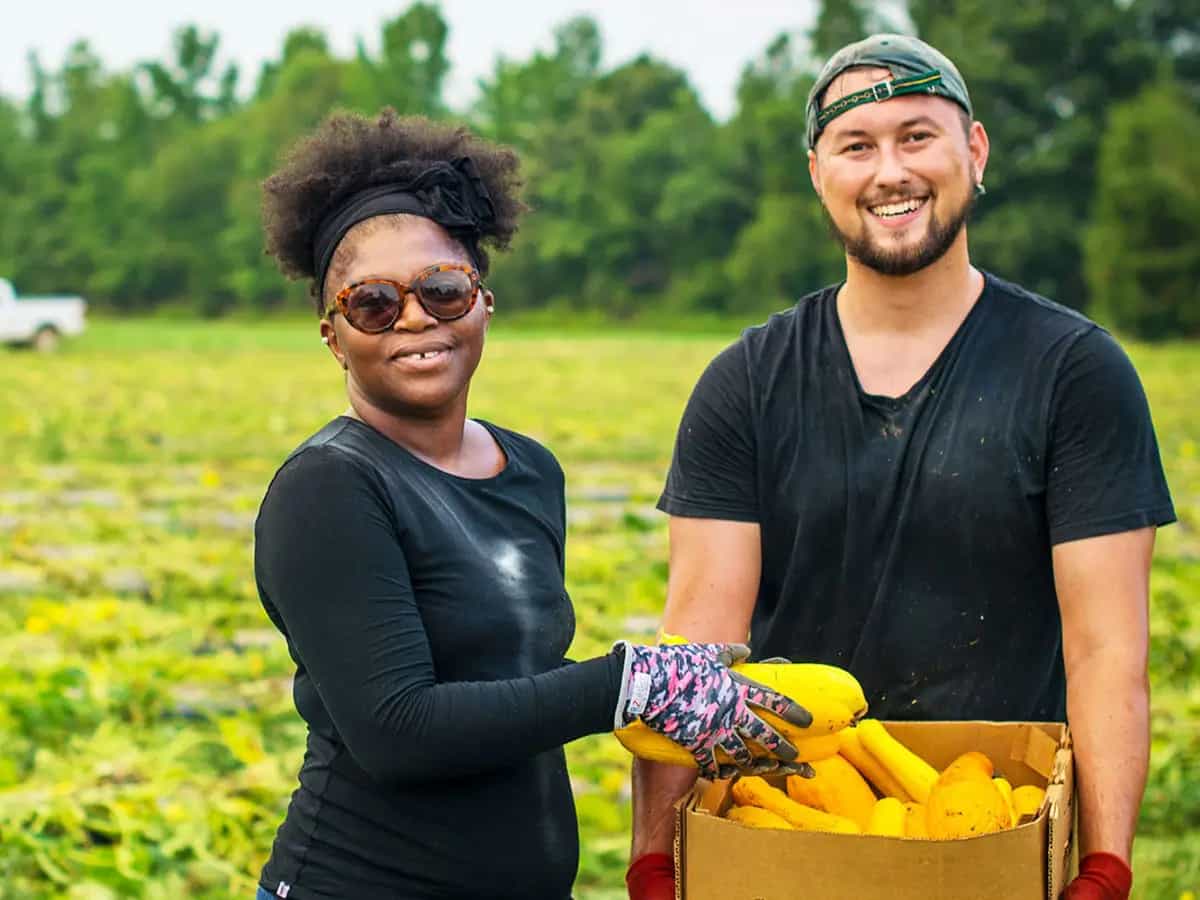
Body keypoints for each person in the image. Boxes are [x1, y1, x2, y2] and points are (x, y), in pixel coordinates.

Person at [626, 35, 1174, 900]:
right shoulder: (747, 383)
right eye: (857, 146)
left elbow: (1107, 651)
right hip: (790, 824)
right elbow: (698, 645)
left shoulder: (1075, 373)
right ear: (818, 172)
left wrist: (1104, 865)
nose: (891, 172)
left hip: (997, 825)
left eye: (917, 136)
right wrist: (657, 855)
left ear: (974, 151)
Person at [252, 109, 813, 900]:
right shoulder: (330, 488)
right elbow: (396, 733)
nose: (415, 317)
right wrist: (627, 685)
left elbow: (516, 683)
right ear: (333, 333)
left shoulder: (529, 470)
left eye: (442, 289)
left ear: (483, 303)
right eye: (373, 302)